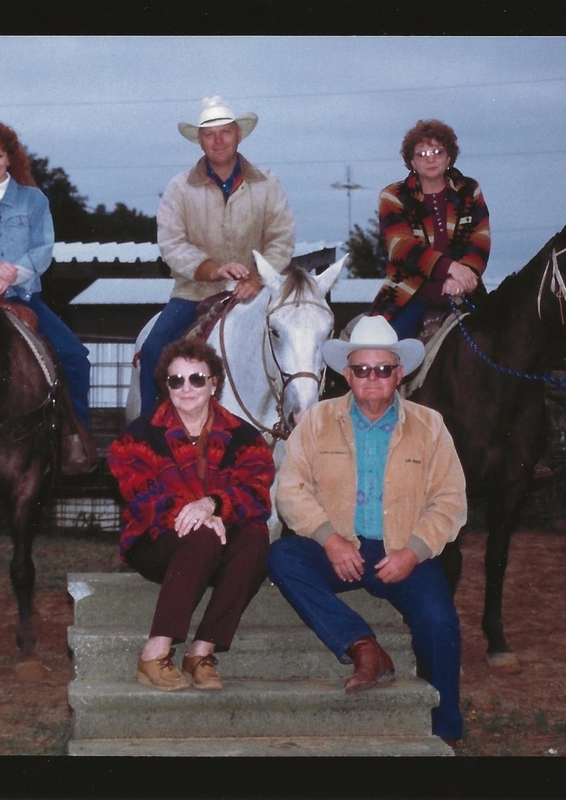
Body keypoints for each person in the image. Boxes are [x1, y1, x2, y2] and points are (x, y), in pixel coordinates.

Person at [267, 315, 467, 746]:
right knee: (283, 558)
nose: (372, 377)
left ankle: (443, 728)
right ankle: (364, 647)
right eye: (362, 369)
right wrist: (330, 539)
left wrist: (412, 552)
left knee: (439, 621)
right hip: (342, 548)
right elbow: (290, 489)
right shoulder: (316, 421)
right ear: (347, 374)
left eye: (382, 369)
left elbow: (450, 501)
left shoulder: (430, 426)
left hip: (402, 552)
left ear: (399, 373)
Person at [108, 338, 275, 691]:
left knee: (257, 537)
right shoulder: (137, 436)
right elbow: (141, 497)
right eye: (176, 380)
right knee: (201, 533)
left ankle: (201, 651)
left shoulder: (245, 437)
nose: (186, 388)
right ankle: (155, 652)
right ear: (165, 386)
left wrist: (214, 505)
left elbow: (257, 492)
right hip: (156, 543)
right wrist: (198, 514)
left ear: (214, 382)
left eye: (196, 379)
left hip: (218, 537)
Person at [0, 118, 95, 471]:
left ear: (11, 158)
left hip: (24, 297)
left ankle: (76, 437)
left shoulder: (33, 200)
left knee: (75, 357)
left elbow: (43, 249)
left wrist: (11, 272)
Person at [138, 95, 295, 417]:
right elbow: (171, 242)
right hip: (194, 293)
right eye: (210, 134)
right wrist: (212, 269)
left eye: (225, 132)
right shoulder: (179, 188)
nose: (218, 140)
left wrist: (255, 278)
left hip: (255, 293)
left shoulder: (267, 184)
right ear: (200, 141)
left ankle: (294, 426)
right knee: (154, 351)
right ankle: (150, 434)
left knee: (298, 348)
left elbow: (281, 239)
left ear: (239, 134)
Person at [368, 119, 490, 341]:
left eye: (437, 151)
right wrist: (451, 268)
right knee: (384, 350)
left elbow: (480, 241)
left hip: (466, 290)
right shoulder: (394, 195)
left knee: (504, 344)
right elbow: (401, 247)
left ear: (449, 157)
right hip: (408, 293)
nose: (431, 158)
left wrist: (462, 277)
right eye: (422, 154)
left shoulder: (470, 190)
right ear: (412, 162)